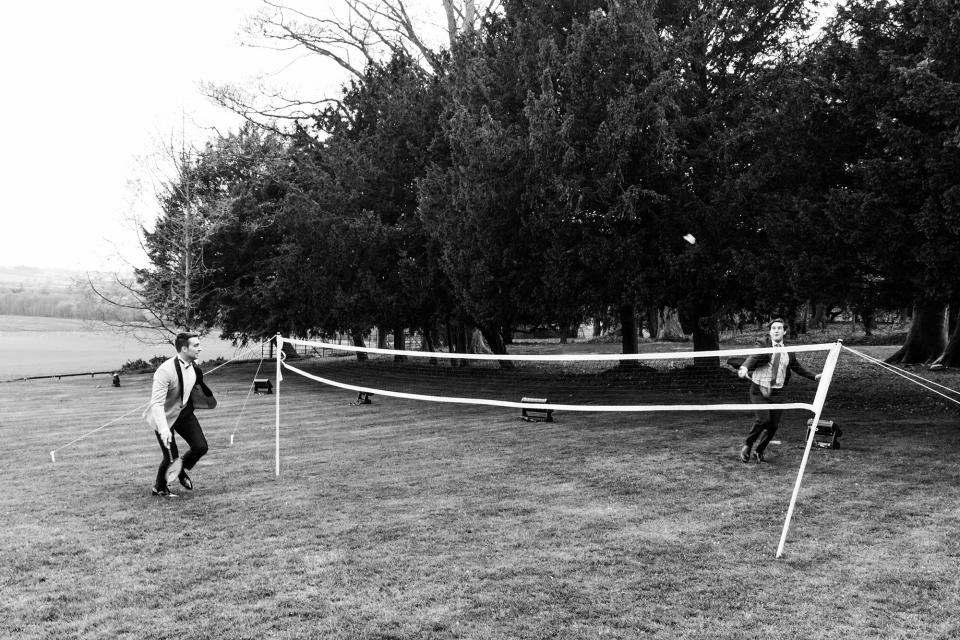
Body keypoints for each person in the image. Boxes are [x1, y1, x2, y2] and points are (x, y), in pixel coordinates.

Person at [737, 318, 822, 463]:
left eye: (779, 328)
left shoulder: (789, 352)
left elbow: (797, 367)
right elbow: (754, 356)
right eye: (773, 328)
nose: (776, 330)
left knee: (773, 425)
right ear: (770, 332)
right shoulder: (763, 344)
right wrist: (744, 367)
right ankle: (748, 444)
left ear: (784, 331)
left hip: (778, 391)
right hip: (759, 389)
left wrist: (815, 376)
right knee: (763, 420)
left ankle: (759, 451)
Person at [143, 332, 215, 497]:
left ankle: (180, 469)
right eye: (196, 345)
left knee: (201, 447)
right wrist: (163, 429)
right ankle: (160, 488)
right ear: (184, 348)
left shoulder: (195, 367)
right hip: (164, 417)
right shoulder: (164, 371)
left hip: (185, 414)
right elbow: (157, 403)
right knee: (170, 458)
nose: (200, 348)